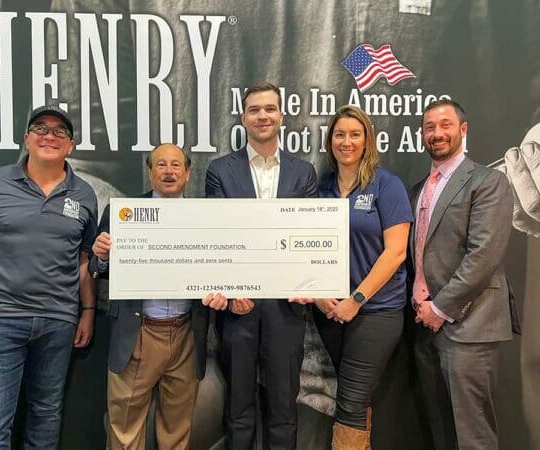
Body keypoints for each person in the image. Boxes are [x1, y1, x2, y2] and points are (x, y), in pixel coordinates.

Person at [0, 105, 98, 449]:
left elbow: (84, 260)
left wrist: (87, 311)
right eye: (40, 128)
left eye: (60, 132)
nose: (49, 136)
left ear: (71, 146)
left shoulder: (84, 195)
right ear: (27, 139)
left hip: (58, 321)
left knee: (46, 416)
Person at [88, 143, 228, 450]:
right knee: (124, 427)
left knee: (177, 428)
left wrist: (222, 291)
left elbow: (217, 269)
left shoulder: (206, 218)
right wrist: (100, 255)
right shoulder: (121, 213)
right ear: (150, 172)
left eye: (176, 165)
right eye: (161, 165)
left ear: (188, 173)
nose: (168, 171)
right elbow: (100, 268)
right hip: (139, 331)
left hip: (187, 333)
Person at [204, 80, 317, 450]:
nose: (263, 116)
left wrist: (306, 284)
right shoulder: (220, 170)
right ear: (244, 118)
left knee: (284, 408)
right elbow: (218, 236)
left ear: (281, 116)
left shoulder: (304, 173)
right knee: (238, 409)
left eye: (270, 109)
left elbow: (309, 238)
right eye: (255, 110)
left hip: (286, 309)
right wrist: (234, 289)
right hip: (239, 308)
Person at [409, 99, 517, 450]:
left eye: (445, 125)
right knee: (439, 431)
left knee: (473, 435)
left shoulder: (488, 181)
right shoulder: (419, 189)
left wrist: (439, 308)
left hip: (468, 326)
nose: (437, 134)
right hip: (424, 326)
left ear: (463, 129)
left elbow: (482, 257)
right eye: (429, 127)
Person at [306, 105, 412, 449]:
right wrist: (321, 297)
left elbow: (395, 252)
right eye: (339, 134)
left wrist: (357, 299)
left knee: (349, 402)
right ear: (330, 142)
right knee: (355, 400)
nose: (346, 141)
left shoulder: (386, 185)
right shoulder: (321, 190)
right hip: (331, 314)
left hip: (375, 311)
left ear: (367, 141)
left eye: (355, 134)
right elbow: (309, 249)